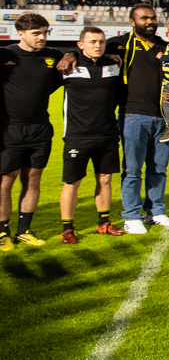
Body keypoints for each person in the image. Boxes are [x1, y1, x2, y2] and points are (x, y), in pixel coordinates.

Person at [58, 4, 169, 234]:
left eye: (153, 18)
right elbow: (87, 53)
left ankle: (156, 212)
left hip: (163, 118)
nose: (150, 21)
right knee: (132, 169)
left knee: (159, 169)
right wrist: (70, 54)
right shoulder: (118, 45)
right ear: (132, 22)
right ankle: (132, 216)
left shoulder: (166, 47)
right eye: (144, 18)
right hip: (132, 115)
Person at [0, 13, 63, 247]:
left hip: (40, 129)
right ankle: (2, 232)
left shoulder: (52, 56)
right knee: (5, 181)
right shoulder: (4, 55)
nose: (42, 37)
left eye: (45, 33)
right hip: (9, 129)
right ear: (21, 34)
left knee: (33, 179)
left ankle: (24, 230)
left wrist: (71, 54)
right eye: (36, 33)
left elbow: (71, 57)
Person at [57, 27, 126, 243]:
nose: (97, 45)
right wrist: (70, 55)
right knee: (72, 182)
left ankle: (104, 222)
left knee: (105, 179)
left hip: (107, 134)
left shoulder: (113, 66)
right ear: (80, 45)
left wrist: (105, 56)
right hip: (77, 136)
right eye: (92, 42)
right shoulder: (68, 67)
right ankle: (68, 228)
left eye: (101, 42)